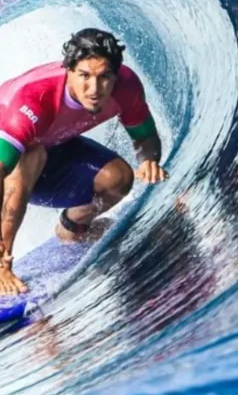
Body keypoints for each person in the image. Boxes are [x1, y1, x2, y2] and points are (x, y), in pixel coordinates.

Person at [0, 28, 168, 295]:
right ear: (68, 70)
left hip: (52, 147)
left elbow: (145, 136)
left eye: (104, 77)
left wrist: (149, 160)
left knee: (118, 179)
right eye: (84, 76)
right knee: (32, 154)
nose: (94, 89)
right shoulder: (34, 100)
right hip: (12, 156)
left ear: (116, 74)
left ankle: (72, 229)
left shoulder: (125, 87)